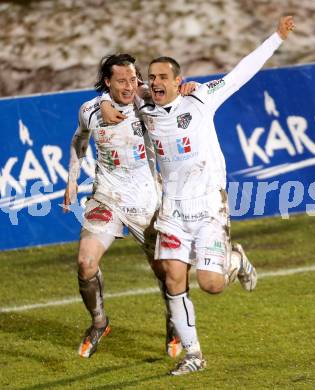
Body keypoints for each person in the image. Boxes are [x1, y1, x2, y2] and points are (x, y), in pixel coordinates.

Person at [101, 16, 295, 375]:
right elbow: (114, 93)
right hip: (172, 209)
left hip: (208, 206)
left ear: (178, 81)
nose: (155, 82)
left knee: (211, 285)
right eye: (151, 77)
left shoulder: (202, 97)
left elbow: (240, 73)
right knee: (175, 279)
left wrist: (276, 38)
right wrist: (102, 104)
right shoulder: (143, 108)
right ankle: (194, 355)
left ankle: (234, 260)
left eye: (163, 76)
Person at [64, 54, 194, 359]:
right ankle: (99, 323)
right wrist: (72, 179)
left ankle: (174, 323)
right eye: (121, 80)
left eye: (133, 79)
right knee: (85, 263)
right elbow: (78, 140)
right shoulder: (90, 111)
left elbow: (174, 91)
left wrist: (189, 87)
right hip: (107, 197)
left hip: (147, 202)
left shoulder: (148, 104)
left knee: (166, 273)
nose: (129, 85)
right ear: (107, 82)